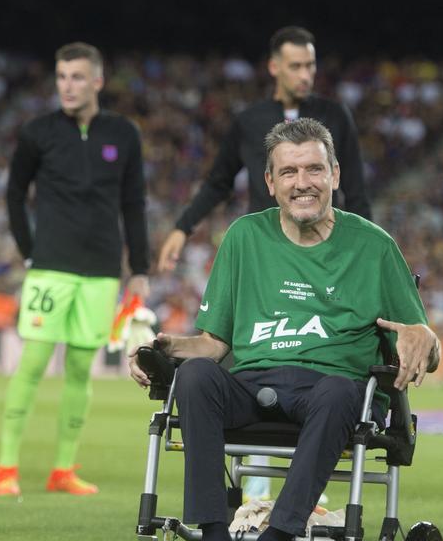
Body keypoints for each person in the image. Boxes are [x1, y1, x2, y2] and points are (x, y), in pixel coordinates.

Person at [130, 118, 438, 541]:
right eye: (289, 172)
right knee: (194, 378)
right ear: (270, 183)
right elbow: (214, 344)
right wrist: (164, 348)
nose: (303, 183)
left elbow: (426, 345)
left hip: (330, 391)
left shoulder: (375, 247)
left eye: (314, 169)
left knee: (340, 390)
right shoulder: (243, 238)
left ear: (335, 174)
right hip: (252, 385)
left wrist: (425, 336)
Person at [157, 26, 372, 502]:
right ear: (273, 67)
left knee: (312, 378)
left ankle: (297, 494)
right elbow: (217, 182)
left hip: (322, 263)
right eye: (295, 65)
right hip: (262, 268)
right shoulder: (251, 120)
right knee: (243, 371)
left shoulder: (334, 118)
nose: (305, 75)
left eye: (311, 66)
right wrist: (182, 227)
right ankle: (247, 490)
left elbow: (356, 193)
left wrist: (363, 259)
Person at [0, 42, 150, 497]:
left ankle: (63, 469)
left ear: (97, 81)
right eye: (61, 77)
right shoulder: (38, 132)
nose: (68, 86)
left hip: (101, 271)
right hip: (51, 270)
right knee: (33, 363)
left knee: (81, 369)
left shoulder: (123, 134)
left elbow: (134, 205)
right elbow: (14, 194)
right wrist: (28, 251)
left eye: (77, 77)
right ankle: (6, 469)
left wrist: (139, 268)